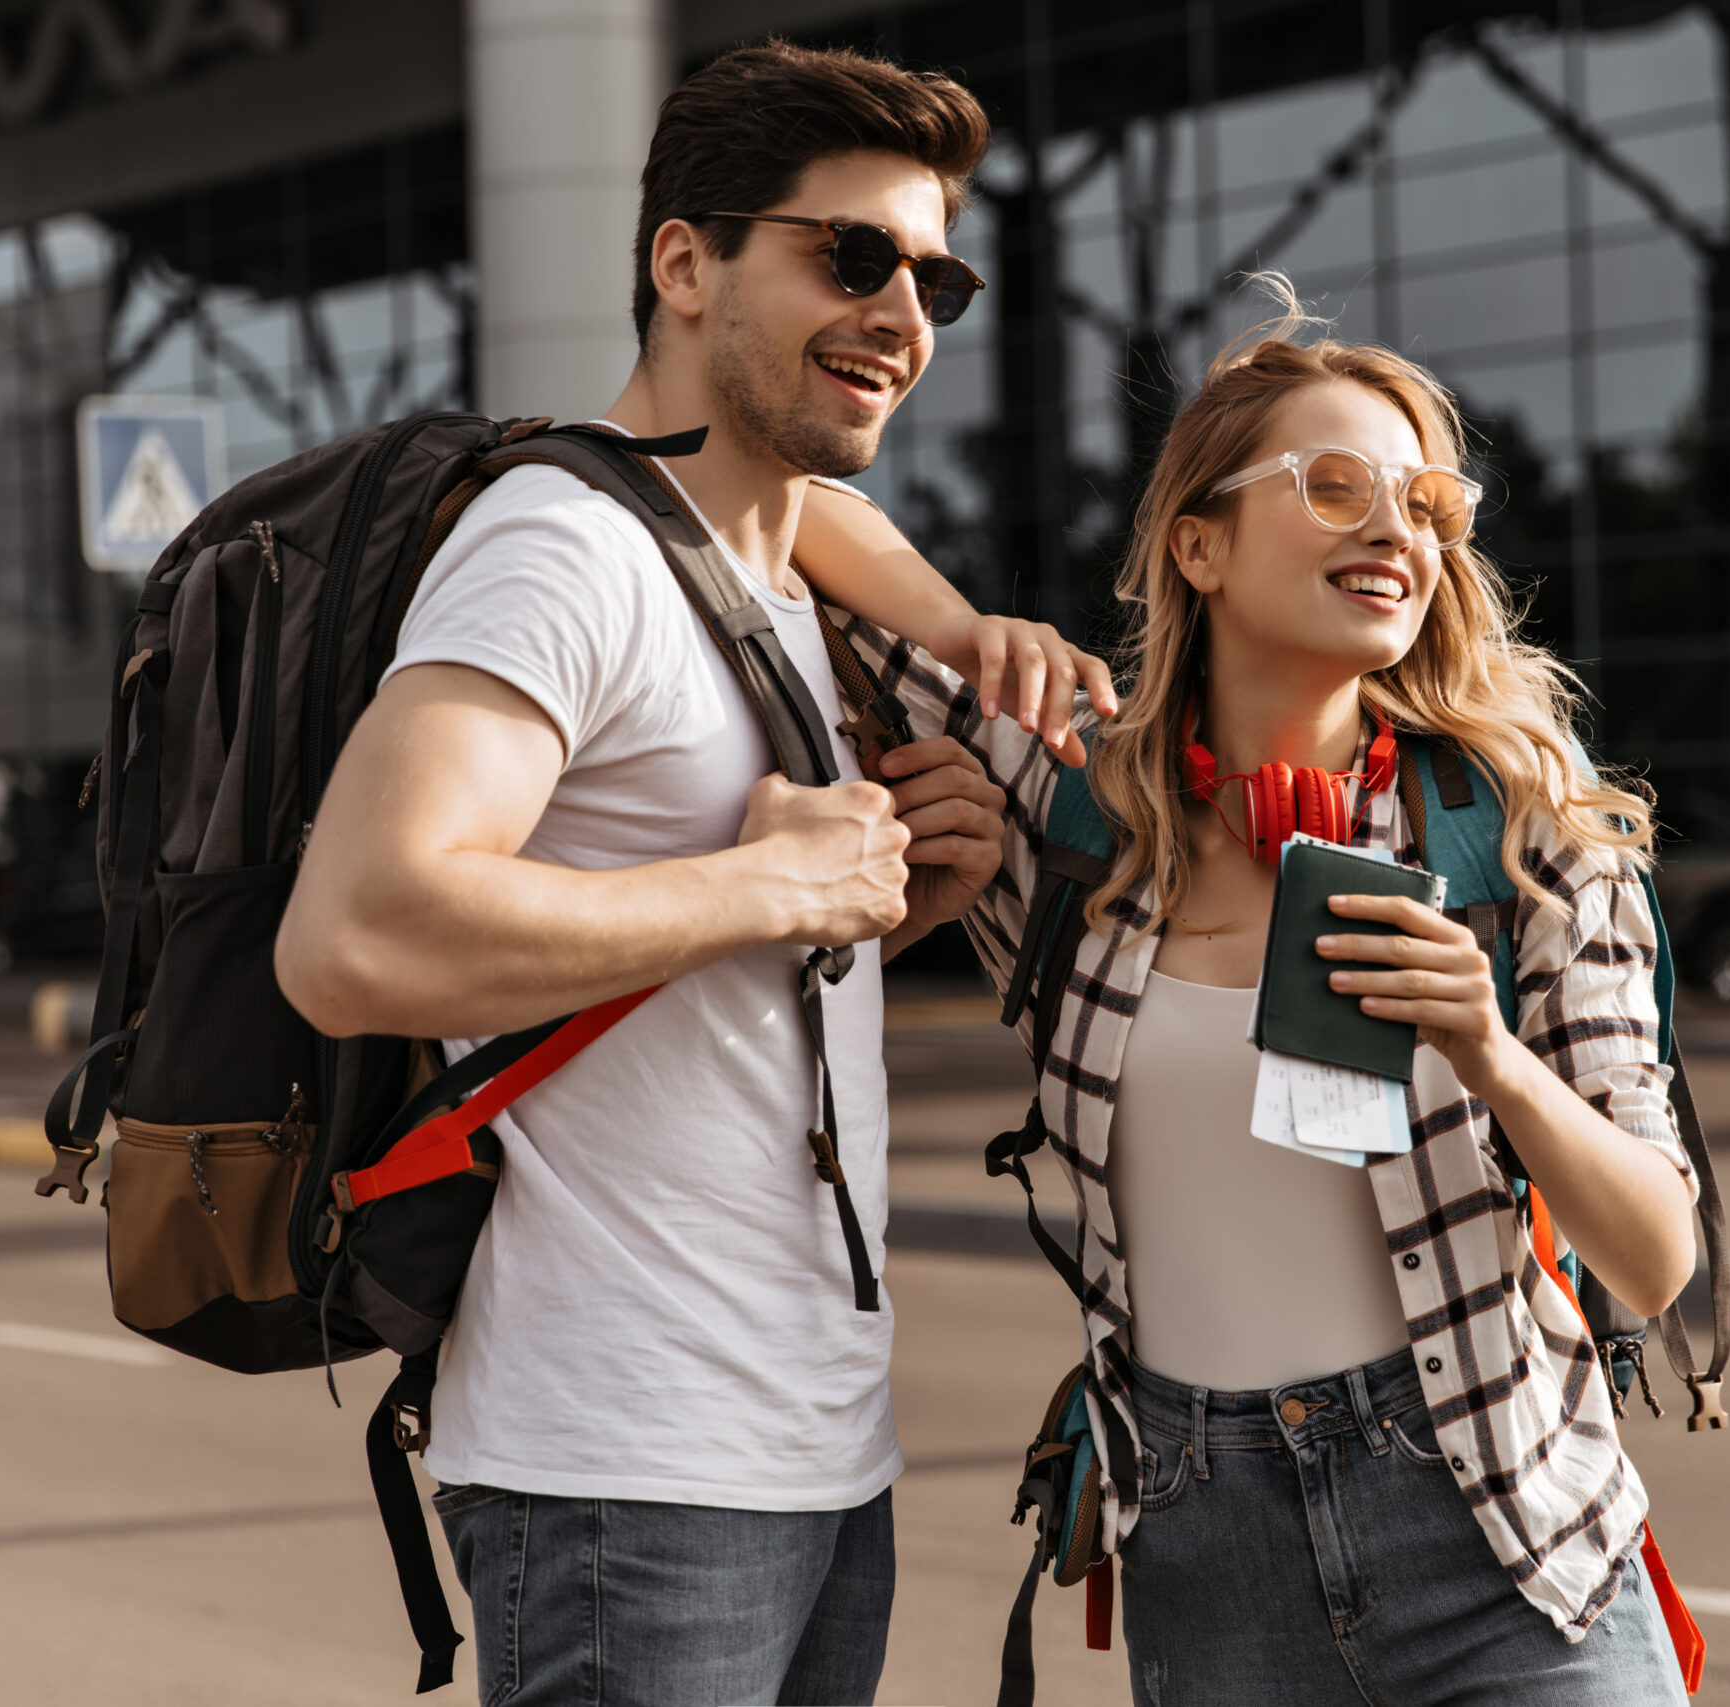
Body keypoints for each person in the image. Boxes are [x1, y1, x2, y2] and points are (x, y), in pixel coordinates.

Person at [275, 41, 1109, 1707]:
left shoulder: (774, 572)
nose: (903, 311)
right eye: (846, 254)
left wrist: (887, 900)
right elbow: (357, 930)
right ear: (684, 262)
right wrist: (775, 895)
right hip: (625, 1470)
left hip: (812, 1450)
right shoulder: (560, 550)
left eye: (934, 273)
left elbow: (703, 937)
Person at [828, 286, 1701, 1703]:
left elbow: (1656, 1257)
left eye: (1427, 503)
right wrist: (962, 625)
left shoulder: (1526, 832)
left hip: (1504, 1542)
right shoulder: (1073, 825)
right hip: (1206, 1561)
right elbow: (792, 515)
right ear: (1199, 544)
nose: (1396, 532)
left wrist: (1489, 1050)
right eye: (1337, 487)